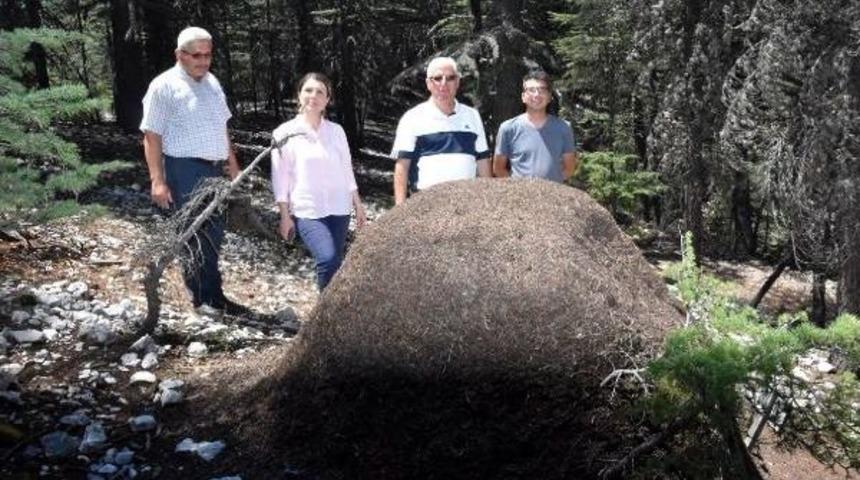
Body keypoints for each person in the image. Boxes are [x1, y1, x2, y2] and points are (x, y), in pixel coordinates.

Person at [140, 26, 248, 316]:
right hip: (184, 168)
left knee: (214, 233)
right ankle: (202, 300)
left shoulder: (212, 82)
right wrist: (157, 181)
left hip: (215, 170)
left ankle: (215, 296)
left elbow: (222, 127)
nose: (203, 61)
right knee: (194, 235)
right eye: (196, 55)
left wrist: (233, 165)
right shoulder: (163, 86)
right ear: (179, 54)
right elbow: (151, 136)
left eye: (208, 55)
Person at [271, 72, 367, 290]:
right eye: (308, 90)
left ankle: (332, 311)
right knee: (327, 258)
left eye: (320, 92)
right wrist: (285, 216)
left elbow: (346, 169)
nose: (313, 96)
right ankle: (324, 317)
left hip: (339, 208)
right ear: (299, 95)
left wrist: (358, 205)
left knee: (336, 262)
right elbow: (280, 179)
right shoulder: (284, 133)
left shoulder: (337, 131)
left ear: (327, 100)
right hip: (307, 210)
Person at [391, 57, 491, 205]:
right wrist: (399, 210)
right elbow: (402, 166)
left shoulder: (472, 116)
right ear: (428, 83)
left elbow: (483, 162)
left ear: (457, 82)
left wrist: (488, 202)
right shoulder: (412, 118)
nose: (443, 84)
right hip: (425, 205)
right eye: (437, 78)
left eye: (450, 78)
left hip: (467, 205)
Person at [493, 71, 578, 182]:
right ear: (523, 97)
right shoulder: (508, 128)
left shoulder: (563, 128)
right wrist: (515, 188)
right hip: (520, 197)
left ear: (549, 97)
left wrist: (554, 185)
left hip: (553, 195)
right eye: (531, 90)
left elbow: (570, 168)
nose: (536, 95)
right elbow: (498, 168)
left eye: (542, 90)